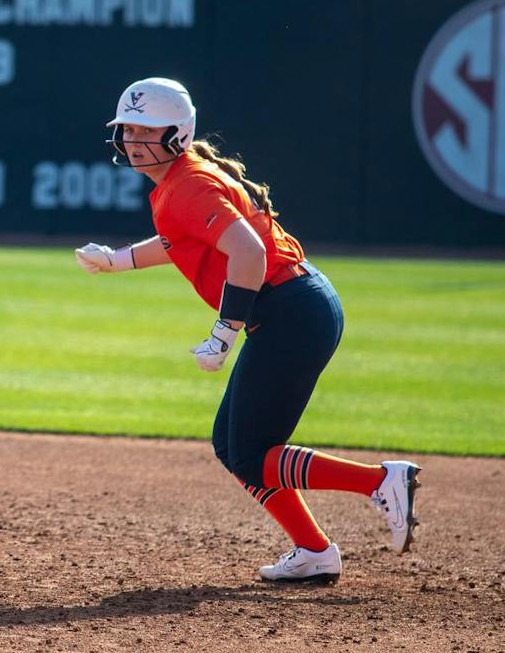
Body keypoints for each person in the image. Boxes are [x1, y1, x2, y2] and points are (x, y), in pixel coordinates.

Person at [74, 77, 421, 585]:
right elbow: (179, 240)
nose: (131, 140)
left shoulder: (188, 184)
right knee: (232, 445)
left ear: (177, 134)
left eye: (145, 130)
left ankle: (380, 481)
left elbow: (250, 254)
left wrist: (224, 331)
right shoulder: (182, 182)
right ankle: (314, 550)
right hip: (294, 305)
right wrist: (115, 261)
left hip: (291, 311)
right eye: (126, 129)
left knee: (254, 453)